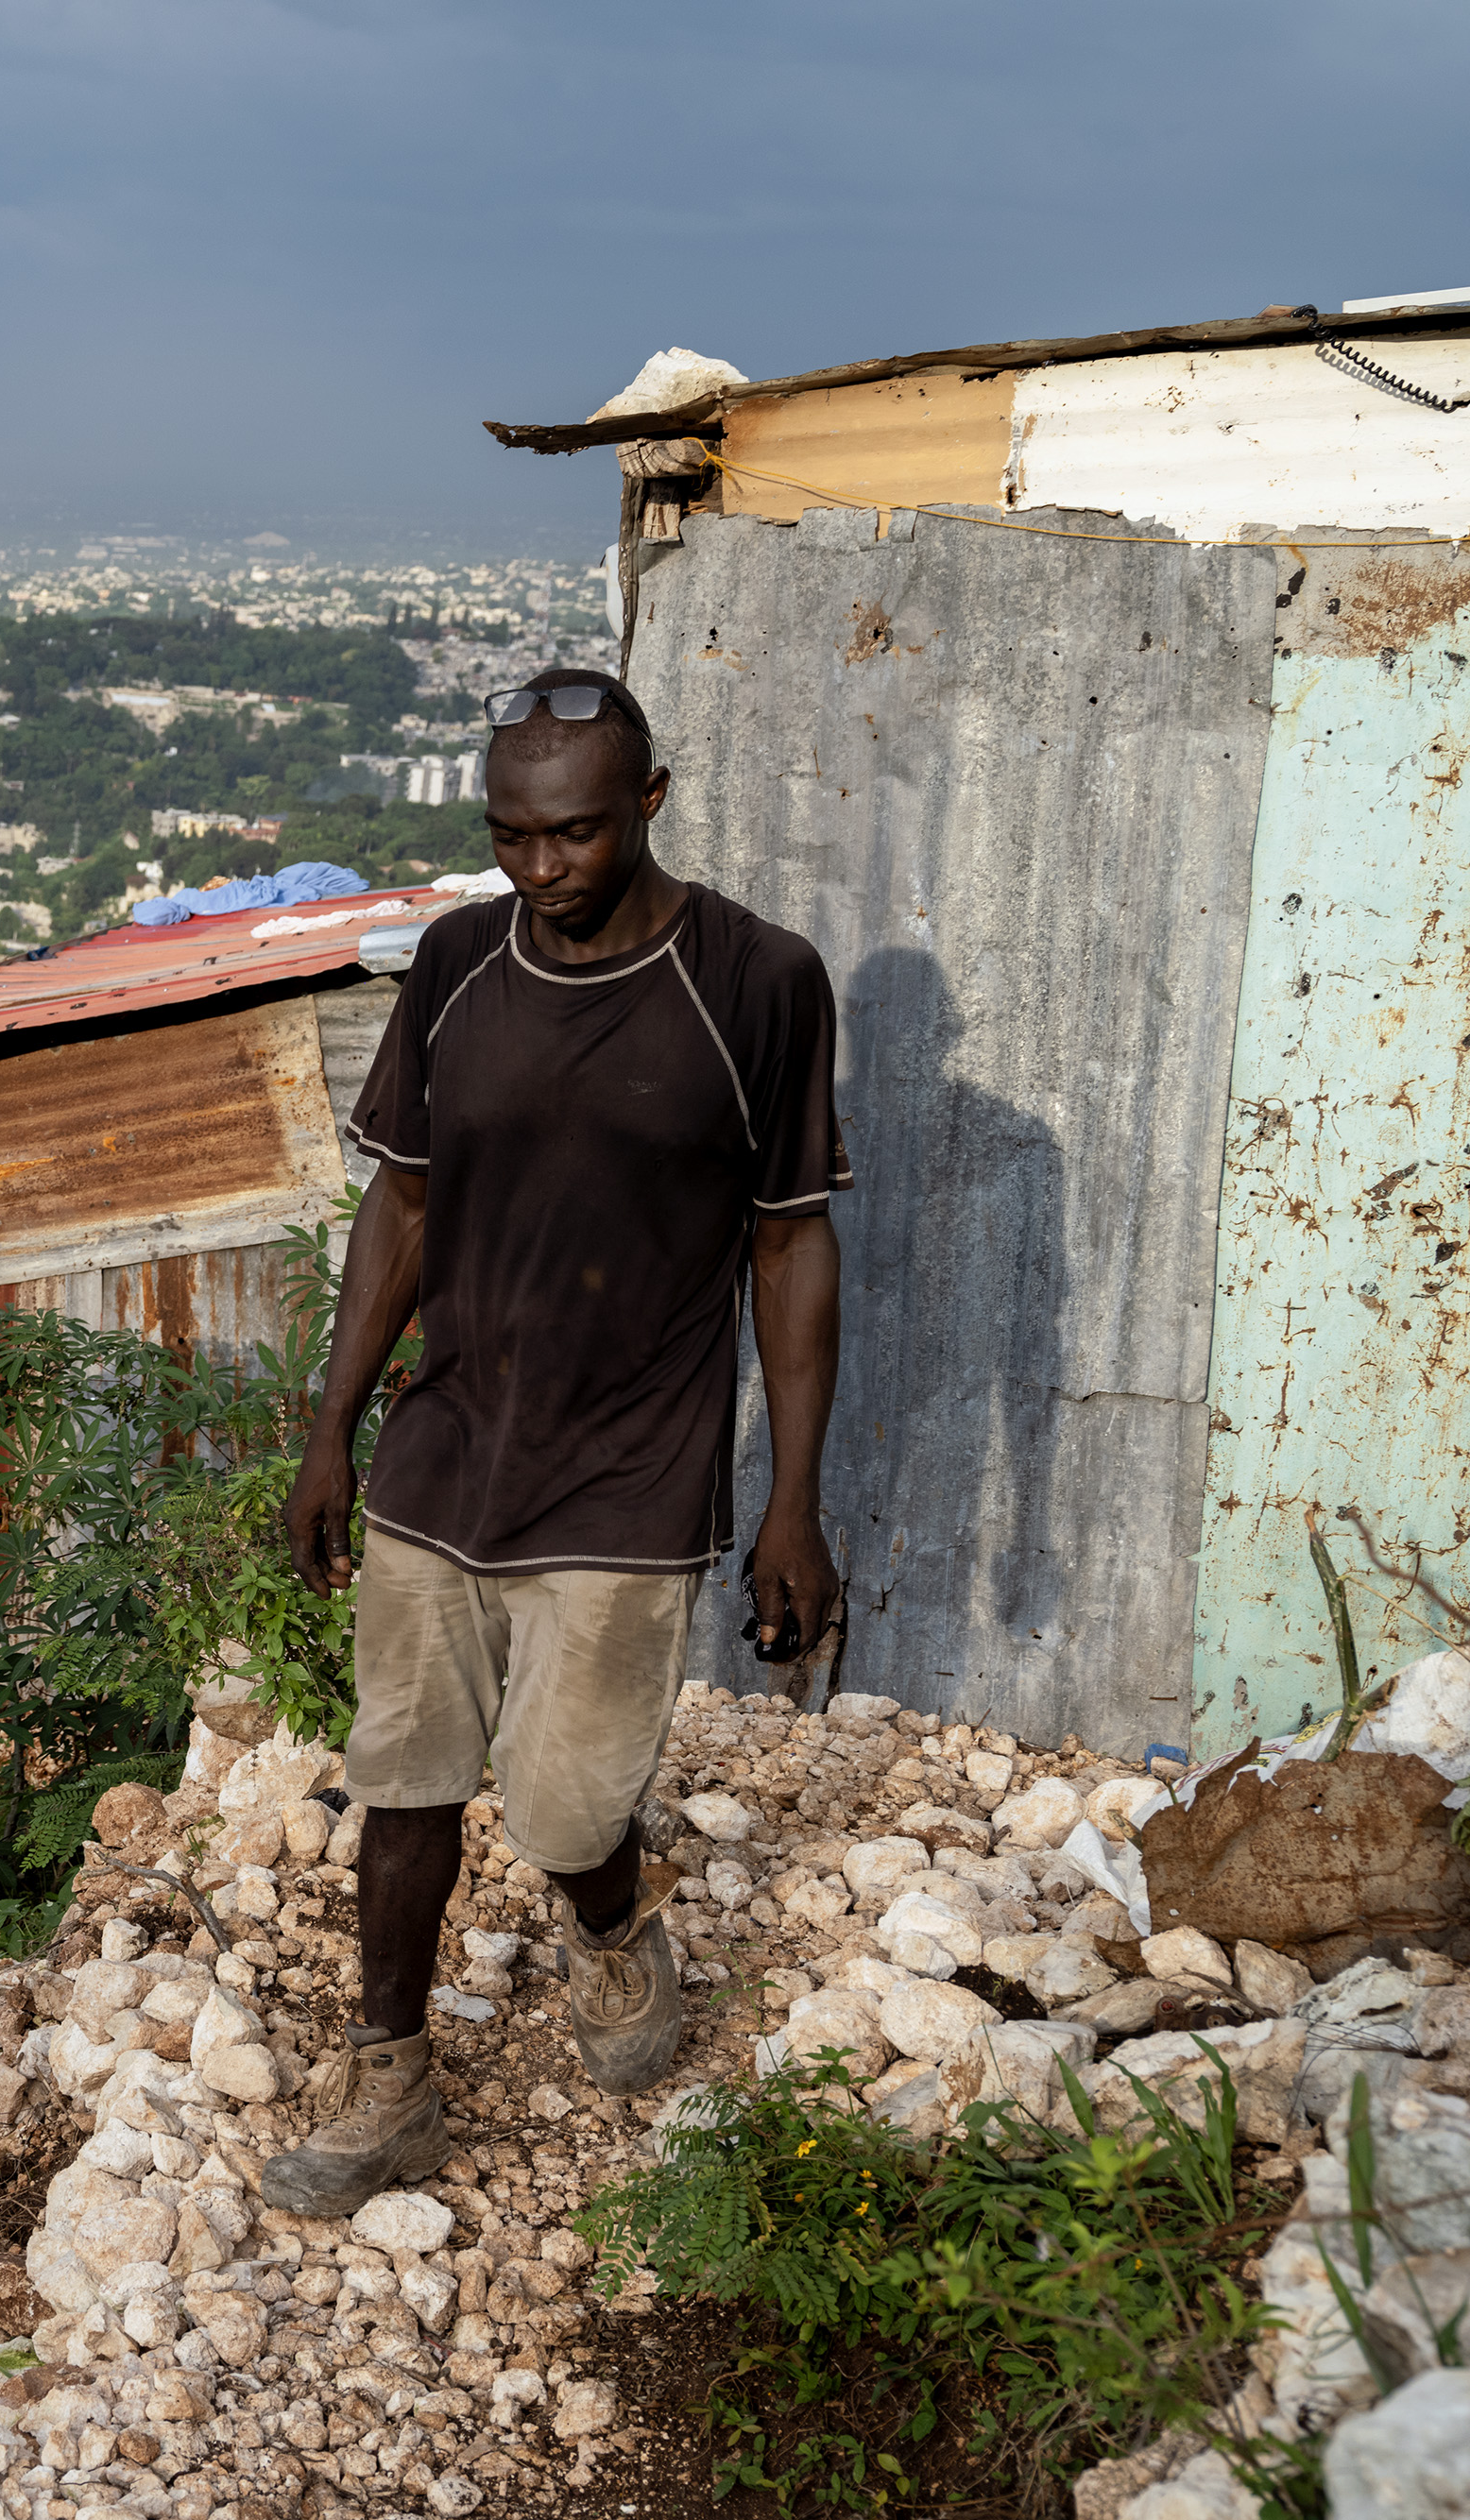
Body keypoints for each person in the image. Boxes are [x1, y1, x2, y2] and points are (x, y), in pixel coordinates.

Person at [255, 665, 846, 2217]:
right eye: (511, 836)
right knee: (404, 1781)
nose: (540, 871)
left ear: (648, 805)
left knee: (569, 1807)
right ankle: (392, 2083)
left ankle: (612, 1925)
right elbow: (406, 1200)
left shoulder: (758, 982)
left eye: (574, 836)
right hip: (447, 1449)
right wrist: (330, 1428)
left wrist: (796, 1503)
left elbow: (790, 1245)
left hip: (630, 1472)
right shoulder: (455, 963)